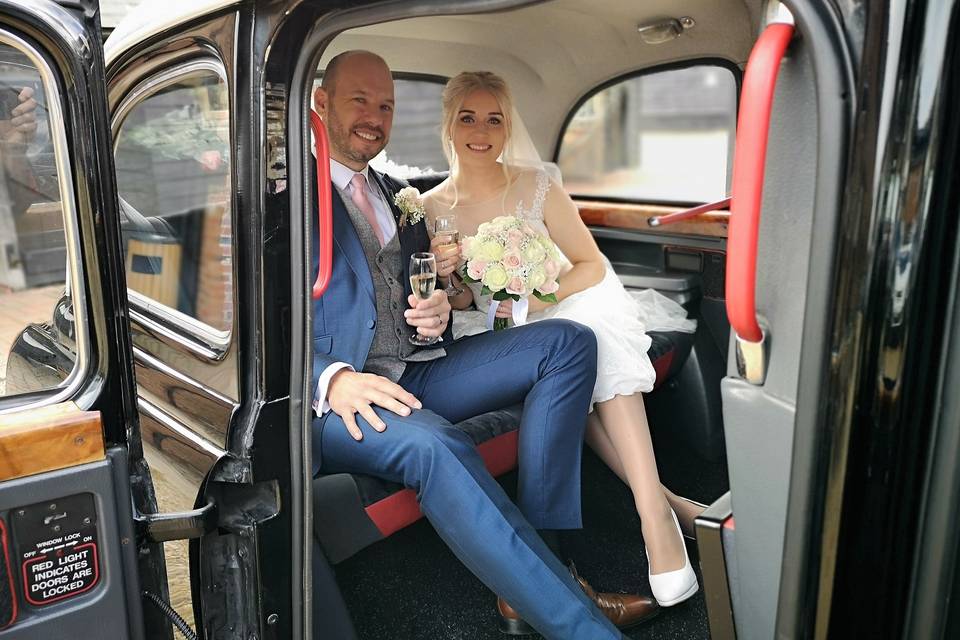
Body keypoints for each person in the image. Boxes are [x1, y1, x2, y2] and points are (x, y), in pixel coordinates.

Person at [309, 50, 659, 639]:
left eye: (386, 105)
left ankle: (540, 574)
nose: (374, 116)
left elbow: (417, 299)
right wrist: (330, 378)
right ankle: (582, 624)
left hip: (416, 367)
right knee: (438, 448)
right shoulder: (282, 199)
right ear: (320, 105)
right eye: (358, 101)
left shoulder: (400, 197)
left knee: (569, 343)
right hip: (342, 397)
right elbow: (252, 330)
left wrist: (440, 310)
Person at [422, 71, 699, 609]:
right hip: (493, 326)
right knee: (567, 364)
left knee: (589, 337)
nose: (482, 131)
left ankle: (652, 520)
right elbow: (456, 303)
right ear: (448, 125)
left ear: (508, 127)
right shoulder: (431, 207)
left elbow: (591, 265)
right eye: (468, 118)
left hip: (565, 297)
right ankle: (667, 506)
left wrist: (534, 299)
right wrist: (452, 279)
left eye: (495, 119)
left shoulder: (536, 184)